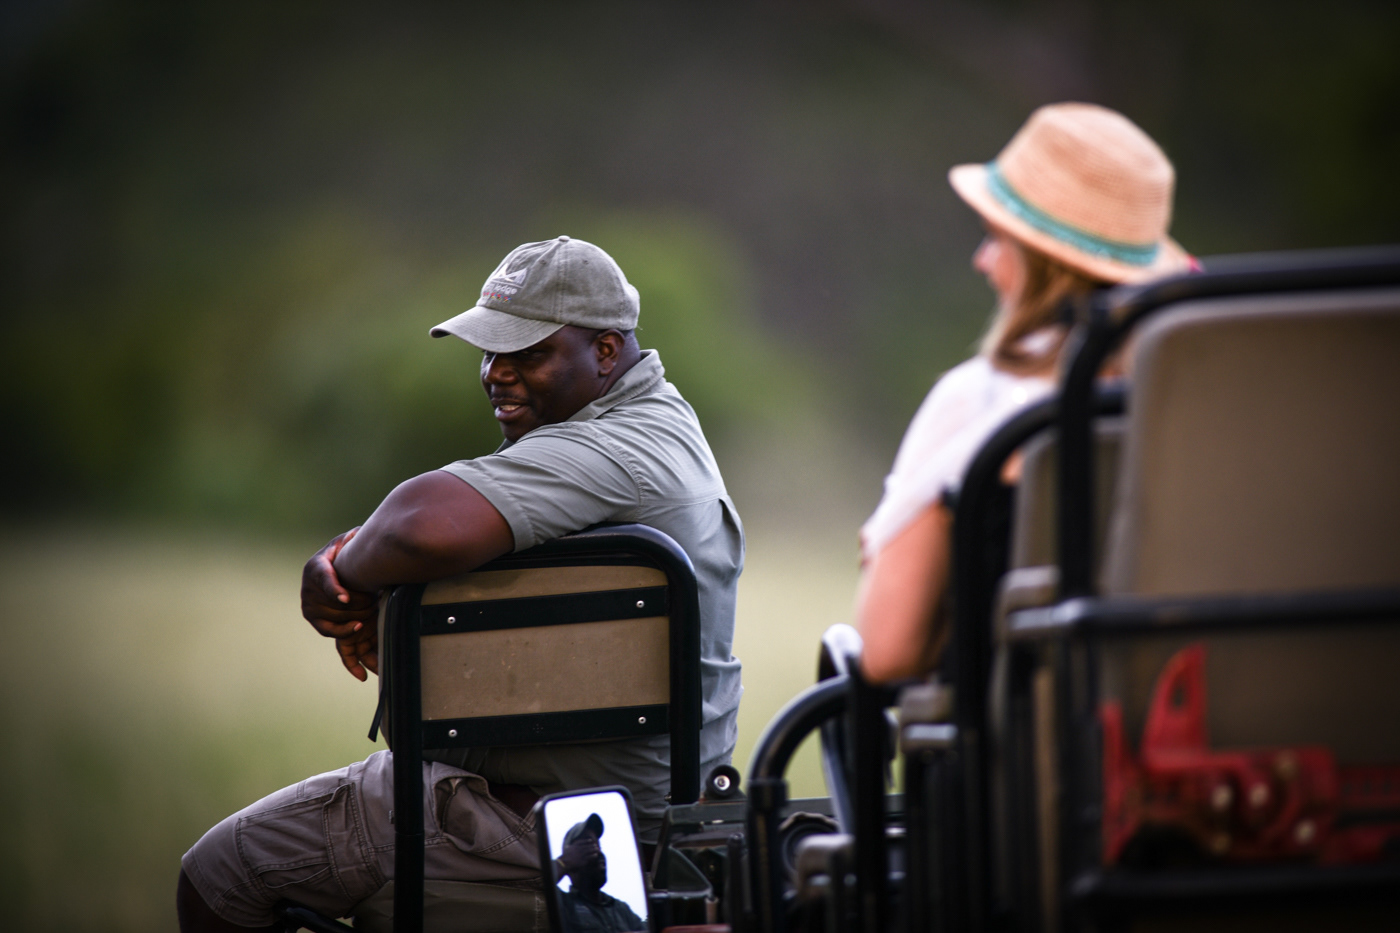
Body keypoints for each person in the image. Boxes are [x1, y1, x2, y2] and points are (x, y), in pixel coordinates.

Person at [177, 236, 744, 931]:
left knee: (220, 874)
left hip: (533, 823)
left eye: (528, 353)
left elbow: (418, 525)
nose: (496, 375)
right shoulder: (657, 429)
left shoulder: (615, 449)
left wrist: (335, 571)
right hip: (609, 809)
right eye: (489, 351)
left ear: (604, 352)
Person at [856, 102, 1192, 683]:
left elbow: (888, 652)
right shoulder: (1206, 411)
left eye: (996, 238)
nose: (981, 260)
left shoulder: (981, 402)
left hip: (1018, 751)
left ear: (1042, 265)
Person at [554, 814, 646, 933]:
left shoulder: (621, 909)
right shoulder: (562, 905)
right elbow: (537, 881)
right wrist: (564, 861)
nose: (598, 852)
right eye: (587, 847)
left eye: (598, 845)